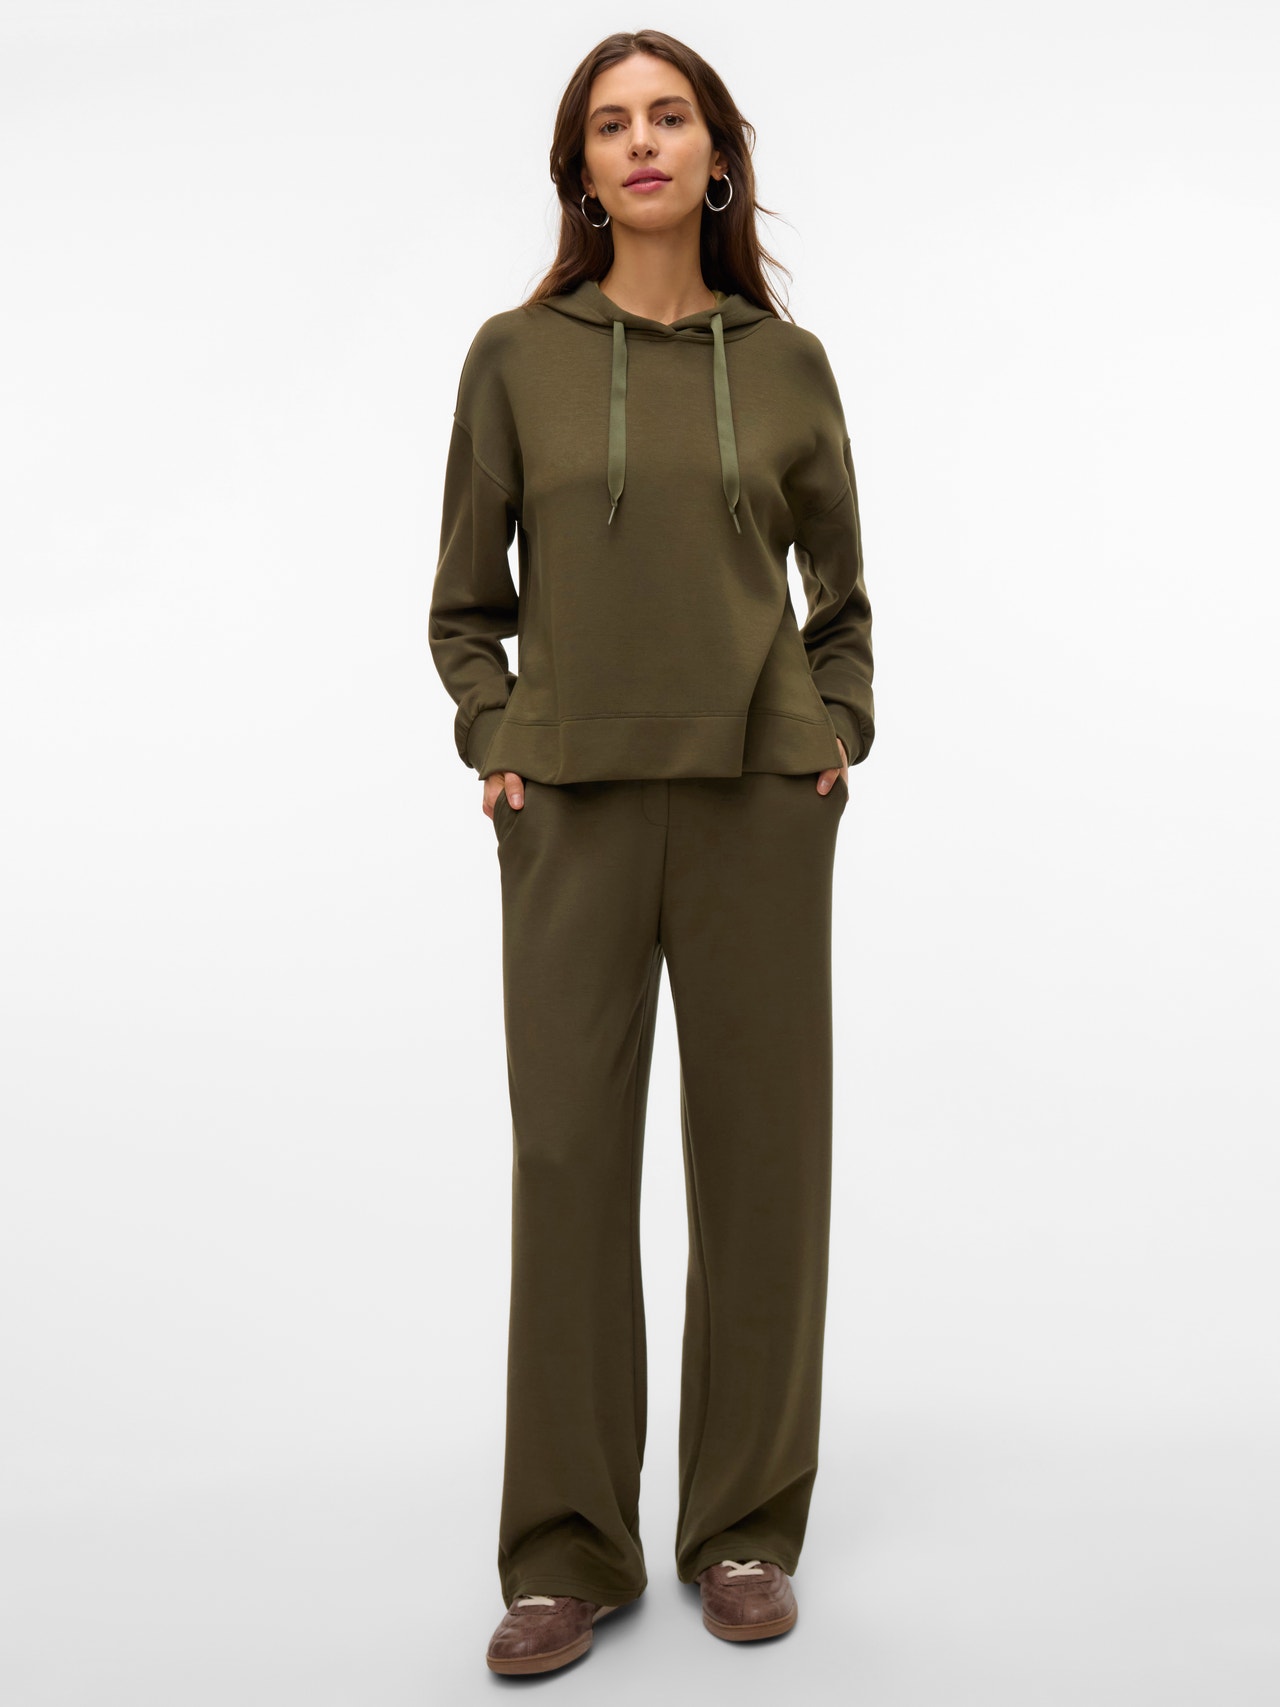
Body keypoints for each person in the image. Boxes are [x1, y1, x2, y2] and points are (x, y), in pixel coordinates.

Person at [428, 28, 875, 1678]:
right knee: (566, 1167)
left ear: (716, 154)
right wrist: (498, 739)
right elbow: (465, 604)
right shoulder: (515, 358)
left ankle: (744, 1529)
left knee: (764, 1166)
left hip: (759, 799)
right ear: (582, 170)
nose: (642, 143)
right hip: (573, 804)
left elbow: (844, 601)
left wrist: (838, 730)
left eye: (668, 116)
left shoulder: (789, 364)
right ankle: (565, 1554)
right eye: (611, 124)